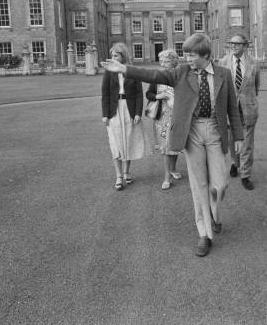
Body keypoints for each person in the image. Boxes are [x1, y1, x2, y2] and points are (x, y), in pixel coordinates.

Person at [104, 34, 243, 257]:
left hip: (216, 131)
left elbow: (232, 109)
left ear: (206, 55)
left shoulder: (223, 74)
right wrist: (124, 68)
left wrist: (238, 136)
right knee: (199, 186)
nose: (186, 58)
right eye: (185, 53)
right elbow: (154, 74)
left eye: (191, 54)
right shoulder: (181, 72)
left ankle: (214, 215)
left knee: (220, 185)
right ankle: (204, 233)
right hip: (192, 132)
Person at [101, 43, 148, 190]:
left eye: (116, 55)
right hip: (114, 110)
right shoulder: (109, 72)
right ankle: (118, 176)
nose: (113, 58)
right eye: (112, 55)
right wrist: (105, 114)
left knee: (128, 140)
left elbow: (139, 94)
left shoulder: (132, 71)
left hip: (129, 108)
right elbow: (105, 94)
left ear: (123, 56)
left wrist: (138, 113)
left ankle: (127, 173)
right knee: (116, 143)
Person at [219, 34, 260, 190]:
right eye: (232, 43)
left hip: (248, 108)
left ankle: (246, 175)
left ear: (245, 46)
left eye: (237, 43)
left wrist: (247, 100)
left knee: (247, 144)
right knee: (232, 141)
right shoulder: (223, 62)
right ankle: (235, 164)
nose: (234, 46)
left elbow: (256, 86)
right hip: (230, 109)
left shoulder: (254, 63)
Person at [145, 49, 182, 190]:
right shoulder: (158, 76)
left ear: (174, 62)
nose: (163, 64)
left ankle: (173, 168)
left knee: (175, 145)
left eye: (166, 61)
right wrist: (157, 96)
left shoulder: (180, 76)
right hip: (162, 117)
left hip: (177, 116)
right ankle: (167, 177)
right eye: (161, 61)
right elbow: (148, 94)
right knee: (165, 148)